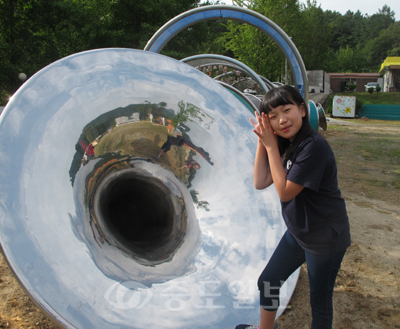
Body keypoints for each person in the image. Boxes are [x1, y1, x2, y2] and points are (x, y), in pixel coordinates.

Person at [237, 86, 351, 329]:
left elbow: (285, 192)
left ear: (302, 110)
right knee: (268, 280)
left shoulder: (313, 146)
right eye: (273, 117)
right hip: (300, 232)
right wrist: (263, 140)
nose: (282, 120)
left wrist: (270, 146)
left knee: (319, 303)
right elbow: (260, 181)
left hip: (325, 237)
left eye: (286, 110)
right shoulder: (288, 144)